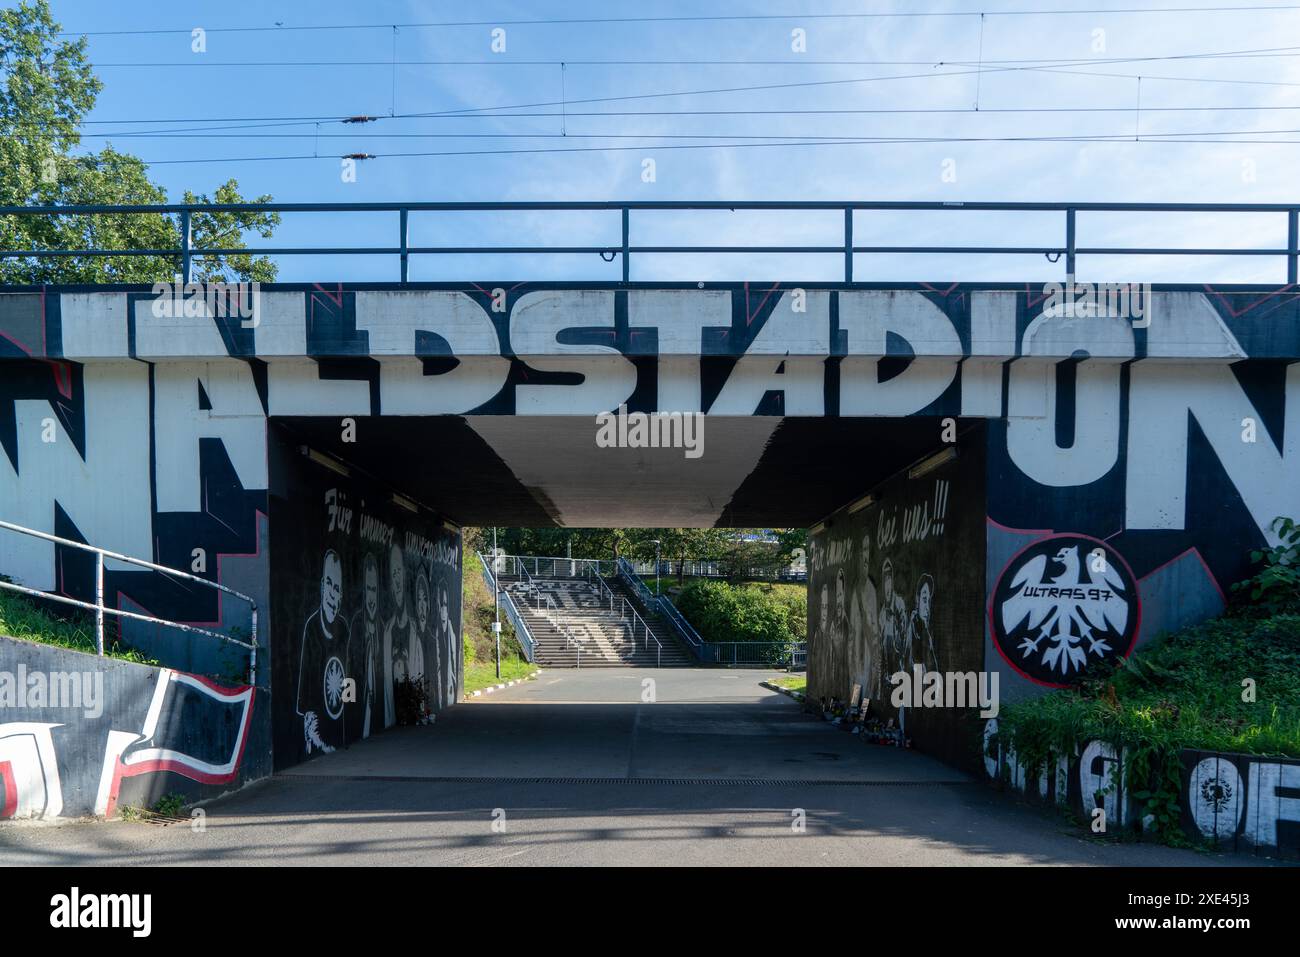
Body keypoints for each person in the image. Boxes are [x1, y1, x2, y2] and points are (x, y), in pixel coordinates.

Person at [297, 550, 349, 755]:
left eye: (336, 588)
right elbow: (305, 686)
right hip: (318, 720)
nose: (331, 593)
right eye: (328, 584)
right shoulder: (311, 627)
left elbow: (349, 671)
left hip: (338, 715)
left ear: (341, 595)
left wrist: (349, 712)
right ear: (321, 586)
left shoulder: (343, 628)